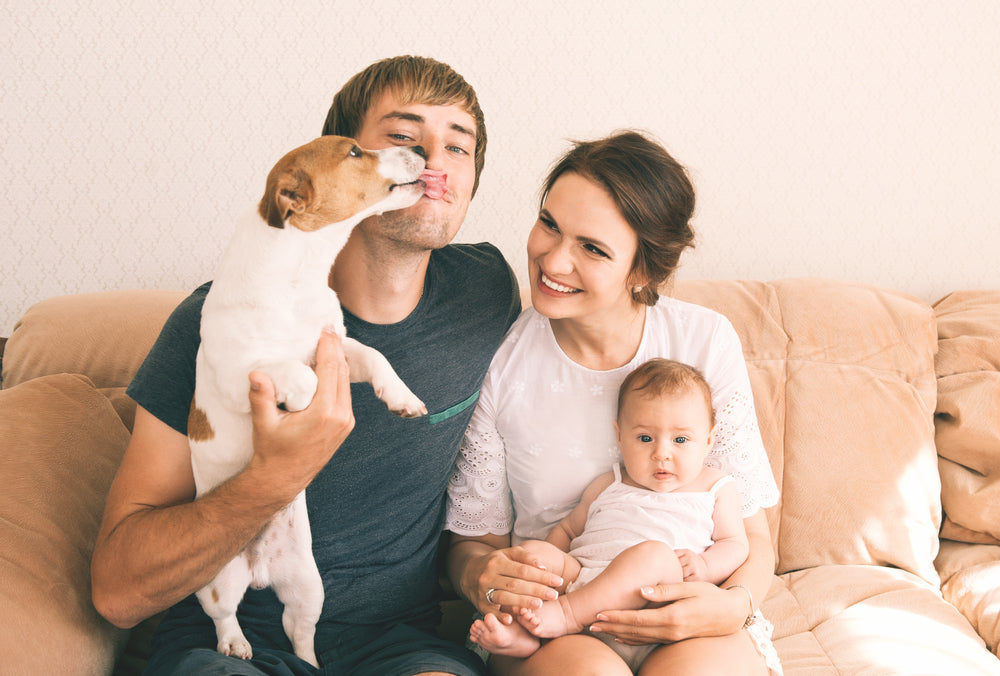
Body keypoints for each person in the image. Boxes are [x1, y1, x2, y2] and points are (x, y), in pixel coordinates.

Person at [91, 55, 521, 676]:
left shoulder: (486, 292)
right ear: (337, 158)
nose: (433, 159)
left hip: (403, 648)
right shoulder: (216, 326)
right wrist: (272, 477)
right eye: (404, 137)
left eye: (459, 147)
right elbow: (116, 591)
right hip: (231, 647)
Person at [446, 130, 783, 675]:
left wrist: (730, 606)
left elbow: (754, 538)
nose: (553, 261)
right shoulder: (500, 357)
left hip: (690, 607)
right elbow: (473, 544)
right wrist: (483, 577)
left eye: (593, 248)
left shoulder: (704, 342)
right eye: (549, 224)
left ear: (643, 271)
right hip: (557, 617)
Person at [468, 358, 754, 674]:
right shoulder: (609, 483)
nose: (661, 453)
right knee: (531, 555)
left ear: (710, 439)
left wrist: (705, 565)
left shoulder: (714, 486)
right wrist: (548, 562)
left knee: (654, 555)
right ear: (620, 436)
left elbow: (735, 543)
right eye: (645, 438)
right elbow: (568, 528)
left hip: (655, 599)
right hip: (586, 581)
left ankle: (565, 615)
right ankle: (521, 633)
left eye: (680, 440)